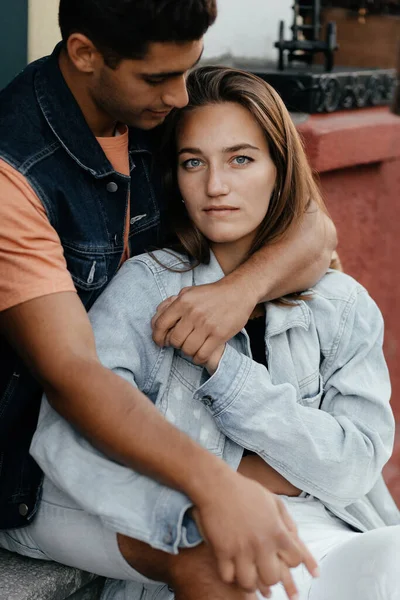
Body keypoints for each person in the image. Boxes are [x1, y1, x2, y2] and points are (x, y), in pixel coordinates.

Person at [12, 66, 399, 600]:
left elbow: (353, 468)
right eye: (194, 162)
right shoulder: (148, 289)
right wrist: (231, 488)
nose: (216, 186)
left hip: (333, 533)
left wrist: (230, 372)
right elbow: (74, 442)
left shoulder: (342, 305)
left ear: (280, 169)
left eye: (241, 159)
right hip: (210, 545)